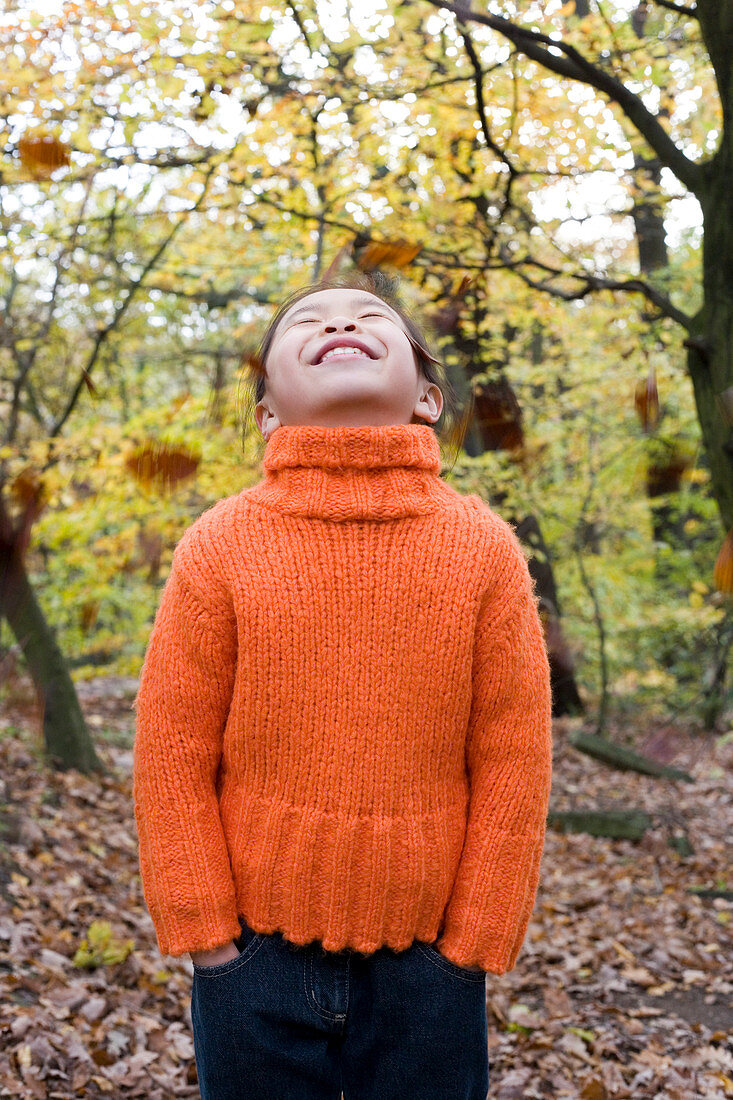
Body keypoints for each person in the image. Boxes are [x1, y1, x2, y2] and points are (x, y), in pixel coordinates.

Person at [132, 273, 553, 1100]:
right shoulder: (219, 544)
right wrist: (207, 935)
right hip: (252, 957)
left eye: (371, 320)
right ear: (267, 414)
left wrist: (474, 939)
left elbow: (513, 754)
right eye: (307, 323)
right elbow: (172, 750)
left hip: (430, 965)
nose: (339, 325)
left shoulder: (482, 549)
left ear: (427, 398)